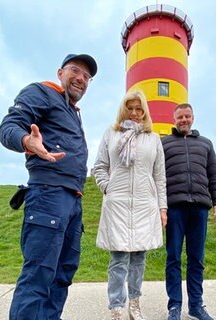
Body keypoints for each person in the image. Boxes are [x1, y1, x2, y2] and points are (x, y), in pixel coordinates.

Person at [0, 53, 97, 320]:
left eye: (87, 76)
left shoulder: (72, 111)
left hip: (72, 201)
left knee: (63, 273)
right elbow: (8, 126)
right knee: (39, 274)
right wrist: (26, 140)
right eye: (75, 70)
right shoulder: (41, 92)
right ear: (60, 73)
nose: (81, 78)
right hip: (48, 195)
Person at [91, 90, 168, 320]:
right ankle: (116, 307)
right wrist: (108, 187)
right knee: (118, 261)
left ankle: (134, 304)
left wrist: (162, 208)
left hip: (145, 206)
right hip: (118, 205)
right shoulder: (111, 134)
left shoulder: (153, 138)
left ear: (144, 111)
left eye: (138, 108)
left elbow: (160, 176)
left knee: (138, 260)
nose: (134, 113)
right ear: (123, 109)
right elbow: (100, 166)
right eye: (130, 108)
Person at [161, 103, 216, 320]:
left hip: (200, 208)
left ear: (193, 118)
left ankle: (196, 305)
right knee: (173, 258)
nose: (184, 120)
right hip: (175, 208)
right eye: (180, 117)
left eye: (187, 116)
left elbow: (214, 175)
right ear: (174, 119)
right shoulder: (164, 144)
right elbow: (158, 177)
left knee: (196, 259)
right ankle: (175, 306)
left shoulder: (206, 144)